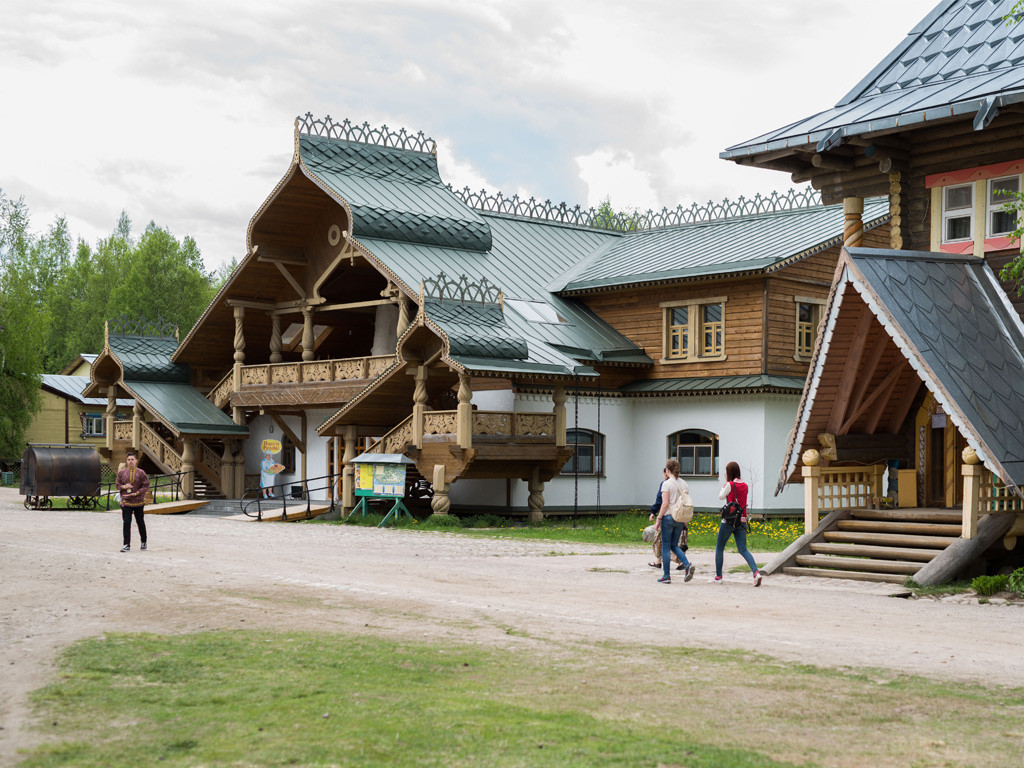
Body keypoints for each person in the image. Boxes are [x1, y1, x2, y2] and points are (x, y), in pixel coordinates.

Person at [712, 461, 763, 586]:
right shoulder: (745, 485)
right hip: (742, 520)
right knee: (743, 549)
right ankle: (756, 573)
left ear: (729, 473)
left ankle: (718, 576)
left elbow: (720, 496)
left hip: (729, 520)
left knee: (719, 547)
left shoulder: (729, 484)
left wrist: (724, 485)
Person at [653, 459, 695, 584]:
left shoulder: (666, 484)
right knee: (673, 545)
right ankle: (687, 565)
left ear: (668, 470)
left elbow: (665, 503)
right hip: (680, 518)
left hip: (668, 518)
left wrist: (658, 518)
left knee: (666, 547)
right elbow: (684, 502)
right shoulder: (684, 484)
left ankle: (666, 575)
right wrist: (685, 521)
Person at [647, 483, 686, 570]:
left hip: (667, 516)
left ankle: (664, 570)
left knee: (663, 542)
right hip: (679, 516)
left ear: (667, 472)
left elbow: (662, 502)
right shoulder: (682, 483)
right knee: (676, 543)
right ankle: (682, 563)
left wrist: (657, 517)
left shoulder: (666, 485)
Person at [117, 452, 150, 552]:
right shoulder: (122, 473)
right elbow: (117, 485)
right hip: (126, 501)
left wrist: (137, 493)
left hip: (138, 502)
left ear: (136, 461)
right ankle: (126, 544)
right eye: (129, 459)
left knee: (140, 522)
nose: (130, 461)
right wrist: (124, 487)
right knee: (126, 522)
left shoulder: (141, 472)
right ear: (126, 461)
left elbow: (146, 485)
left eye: (132, 459)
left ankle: (143, 542)